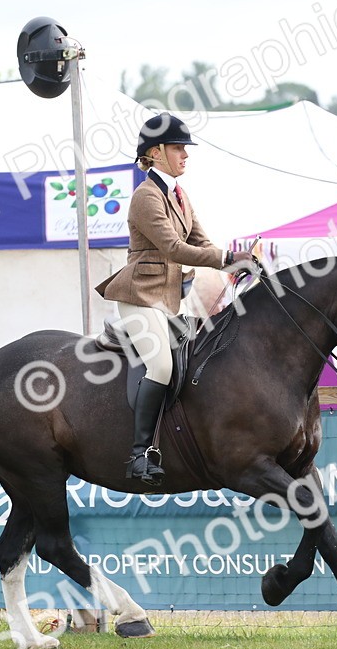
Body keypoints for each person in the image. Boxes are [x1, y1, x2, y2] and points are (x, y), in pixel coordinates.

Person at [95, 113, 252, 485]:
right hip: (138, 297)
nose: (185, 154)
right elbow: (174, 248)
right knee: (162, 368)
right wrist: (227, 259)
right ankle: (138, 456)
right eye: (178, 147)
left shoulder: (179, 196)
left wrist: (237, 260)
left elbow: (201, 242)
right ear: (155, 152)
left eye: (185, 148)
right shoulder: (145, 197)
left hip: (168, 303)